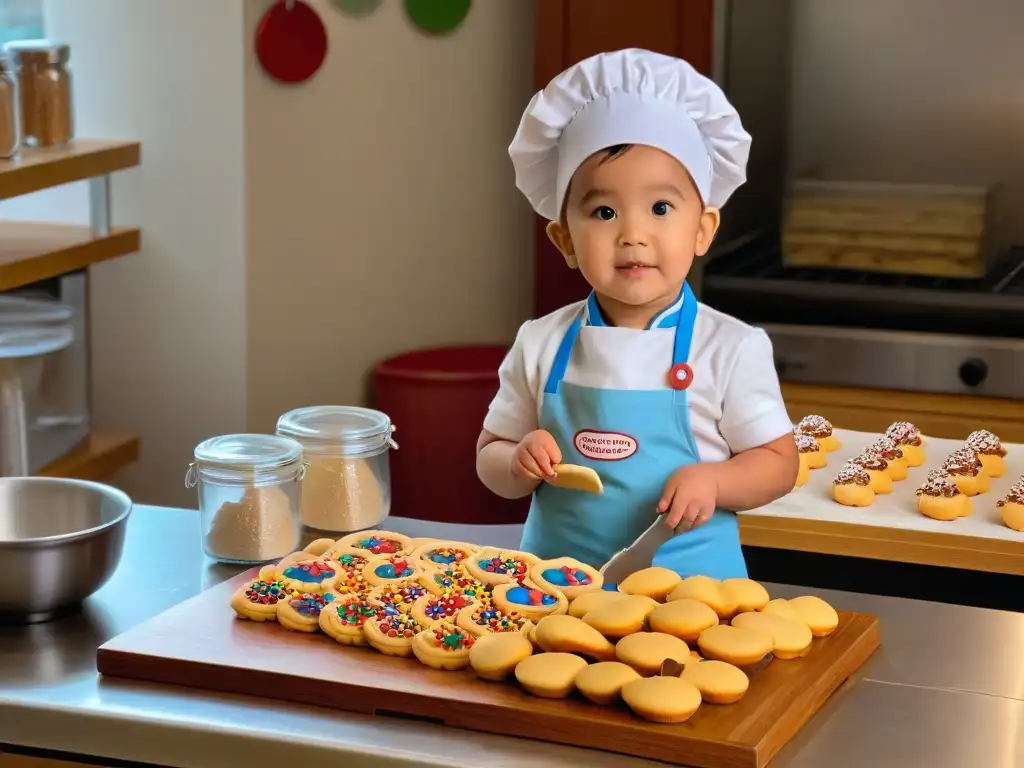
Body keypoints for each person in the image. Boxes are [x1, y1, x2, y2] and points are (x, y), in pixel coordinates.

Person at [475, 48, 798, 579]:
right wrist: (515, 461)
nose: (633, 233)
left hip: (693, 595)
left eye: (661, 208)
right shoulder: (541, 342)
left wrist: (715, 481)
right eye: (604, 211)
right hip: (554, 589)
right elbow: (492, 455)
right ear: (565, 240)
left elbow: (779, 463)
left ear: (703, 230)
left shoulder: (731, 348)